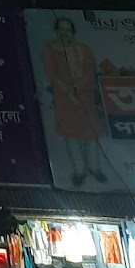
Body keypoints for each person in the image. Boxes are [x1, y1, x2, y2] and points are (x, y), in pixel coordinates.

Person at [41, 18, 107, 186]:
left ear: (73, 33)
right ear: (56, 31)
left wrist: (76, 88)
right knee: (71, 136)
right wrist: (65, 88)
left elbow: (88, 72)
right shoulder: (50, 49)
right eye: (61, 30)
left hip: (84, 96)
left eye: (68, 30)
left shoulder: (84, 50)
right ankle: (79, 171)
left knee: (90, 134)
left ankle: (94, 168)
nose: (64, 33)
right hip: (64, 99)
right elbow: (51, 72)